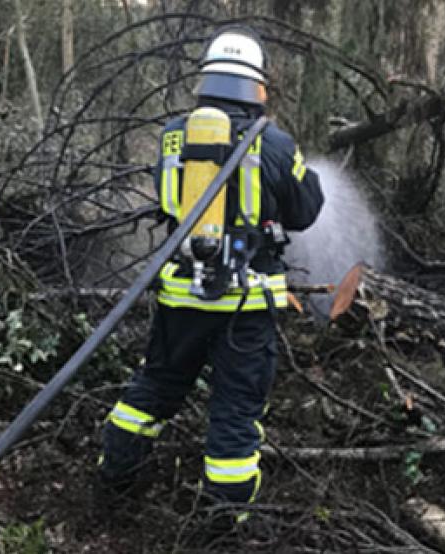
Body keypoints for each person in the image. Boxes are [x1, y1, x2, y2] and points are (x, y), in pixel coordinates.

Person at [98, 26, 324, 513]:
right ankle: (223, 521)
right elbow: (307, 210)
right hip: (246, 304)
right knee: (236, 412)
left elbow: (167, 203)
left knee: (153, 388)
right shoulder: (275, 142)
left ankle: (114, 483)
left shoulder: (172, 135)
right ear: (256, 85)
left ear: (207, 79)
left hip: (181, 297)